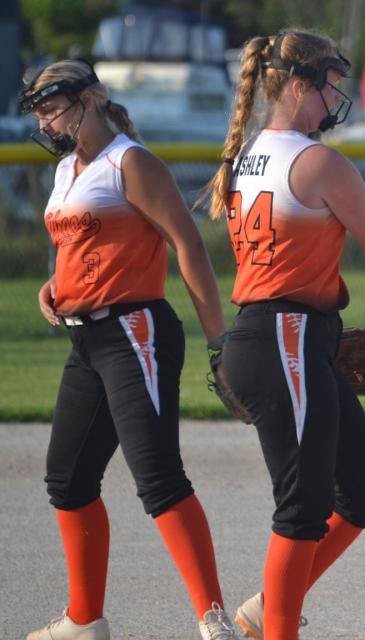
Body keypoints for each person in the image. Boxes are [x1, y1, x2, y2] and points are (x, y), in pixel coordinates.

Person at [203, 30, 365, 640]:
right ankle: (278, 628)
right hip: (284, 338)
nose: (336, 100)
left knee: (364, 489)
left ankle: (270, 610)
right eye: (329, 87)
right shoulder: (318, 161)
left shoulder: (245, 156)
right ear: (298, 85)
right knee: (301, 509)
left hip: (287, 338)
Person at [21, 60, 239, 639]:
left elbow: (188, 246)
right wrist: (56, 287)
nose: (45, 123)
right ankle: (84, 621)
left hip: (134, 332)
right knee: (66, 481)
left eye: (52, 108)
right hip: (86, 340)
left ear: (89, 98)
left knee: (158, 477)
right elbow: (85, 246)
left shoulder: (129, 161)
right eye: (38, 113)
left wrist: (219, 342)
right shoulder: (68, 169)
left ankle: (214, 620)